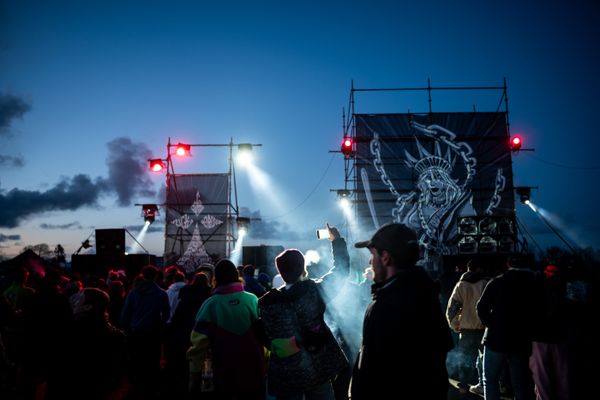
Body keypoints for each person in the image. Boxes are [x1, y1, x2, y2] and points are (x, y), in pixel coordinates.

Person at [350, 223, 453, 400]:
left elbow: (373, 372)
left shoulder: (385, 306)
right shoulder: (426, 293)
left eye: (372, 254)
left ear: (385, 258)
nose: (370, 261)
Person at [258, 223, 349, 400]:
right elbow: (341, 271)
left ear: (280, 272)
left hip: (285, 374)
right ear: (302, 268)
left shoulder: (267, 303)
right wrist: (336, 241)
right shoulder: (313, 292)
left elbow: (269, 338)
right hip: (318, 367)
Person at [187, 259, 266, 400]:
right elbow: (263, 333)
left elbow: (198, 347)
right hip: (255, 369)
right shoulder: (252, 300)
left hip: (225, 372)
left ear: (215, 279)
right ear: (237, 276)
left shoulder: (210, 305)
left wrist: (195, 377)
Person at [477, 256, 536, 400]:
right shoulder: (534, 284)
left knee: (490, 381)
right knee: (520, 384)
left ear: (509, 264)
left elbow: (481, 307)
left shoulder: (497, 282)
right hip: (521, 341)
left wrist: (492, 325)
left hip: (495, 340)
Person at [446, 258, 488, 395]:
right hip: (484, 330)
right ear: (479, 269)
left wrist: (454, 325)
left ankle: (463, 386)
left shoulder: (461, 285)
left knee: (465, 360)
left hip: (465, 330)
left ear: (468, 269)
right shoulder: (485, 283)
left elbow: (452, 308)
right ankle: (484, 385)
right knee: (484, 359)